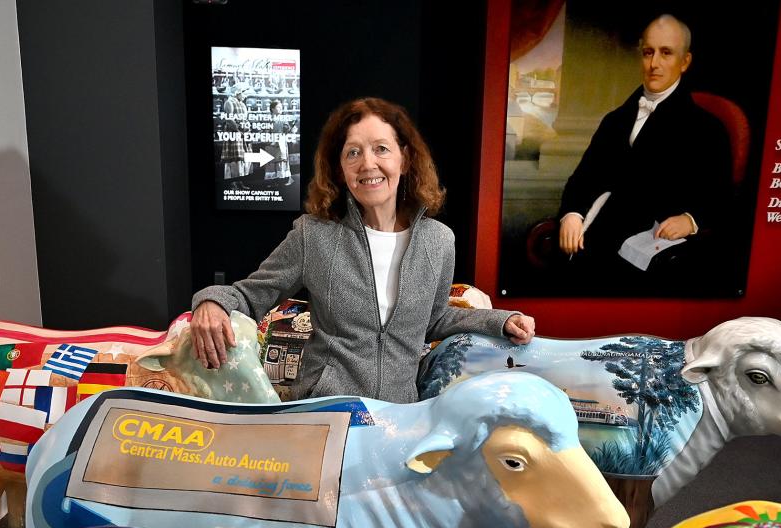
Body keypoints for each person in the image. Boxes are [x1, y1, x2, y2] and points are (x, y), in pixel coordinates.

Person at [191, 97, 535, 402]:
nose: (367, 163)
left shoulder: (439, 240)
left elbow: (433, 321)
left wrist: (499, 321)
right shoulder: (313, 235)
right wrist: (211, 301)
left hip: (399, 415)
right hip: (327, 409)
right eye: (353, 152)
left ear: (405, 157)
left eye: (381, 148)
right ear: (340, 170)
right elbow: (250, 295)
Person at [556, 14, 733, 290]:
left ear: (684, 62)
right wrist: (572, 215)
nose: (654, 64)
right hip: (600, 236)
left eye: (666, 53)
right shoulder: (615, 119)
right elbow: (585, 176)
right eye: (648, 53)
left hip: (654, 252)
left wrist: (691, 220)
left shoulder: (707, 129)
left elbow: (721, 197)